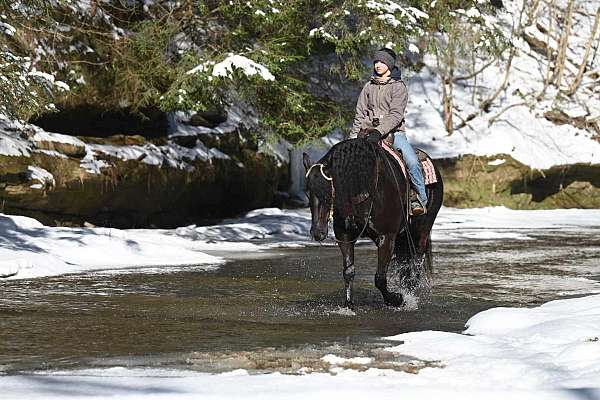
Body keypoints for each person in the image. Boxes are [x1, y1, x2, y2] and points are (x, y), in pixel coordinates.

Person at [350, 47, 427, 215]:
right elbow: (360, 113)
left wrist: (379, 130)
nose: (378, 65)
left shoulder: (398, 87)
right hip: (367, 134)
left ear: (390, 65)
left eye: (382, 61)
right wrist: (354, 137)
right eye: (376, 61)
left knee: (412, 161)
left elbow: (396, 115)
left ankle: (419, 198)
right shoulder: (368, 87)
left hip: (393, 134)